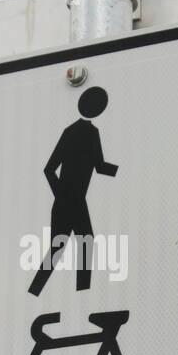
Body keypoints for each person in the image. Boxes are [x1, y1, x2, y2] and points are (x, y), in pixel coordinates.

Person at [28, 85, 117, 295]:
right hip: (70, 202)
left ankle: (78, 293)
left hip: (72, 202)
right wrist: (64, 197)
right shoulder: (82, 132)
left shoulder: (81, 131)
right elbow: (50, 169)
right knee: (66, 247)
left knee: (79, 244)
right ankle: (47, 292)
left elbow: (98, 167)